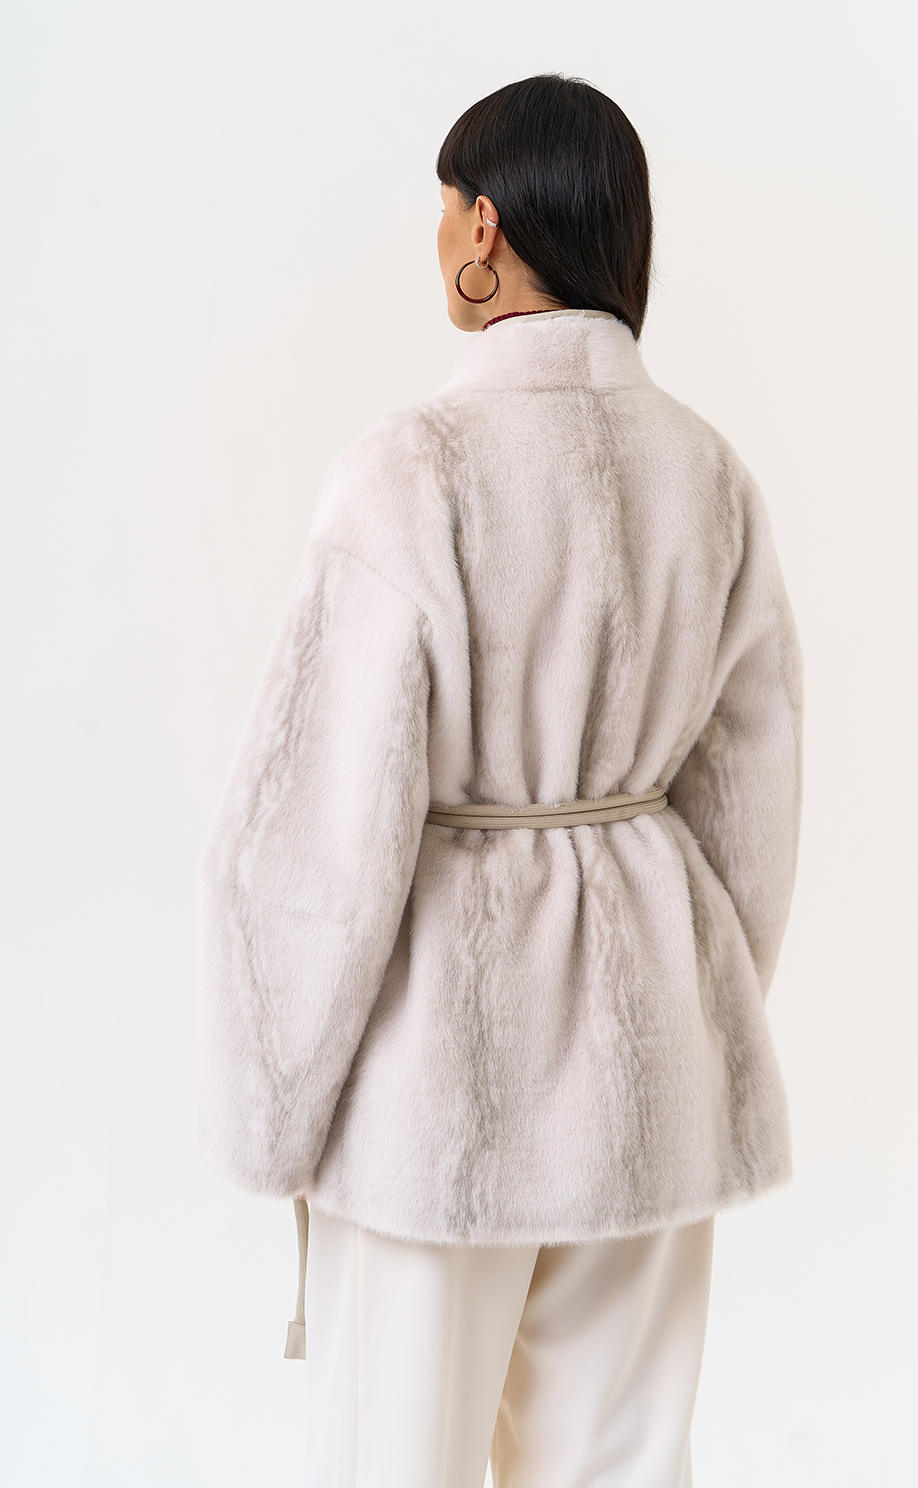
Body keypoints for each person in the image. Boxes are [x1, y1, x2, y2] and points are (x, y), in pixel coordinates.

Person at [196, 73, 803, 1488]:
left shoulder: (411, 471)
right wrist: (691, 998)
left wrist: (276, 1101)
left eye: (441, 211)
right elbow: (752, 792)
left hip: (437, 1081)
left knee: (394, 1459)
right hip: (651, 1066)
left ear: (483, 226)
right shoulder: (708, 474)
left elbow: (316, 831)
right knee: (619, 1466)